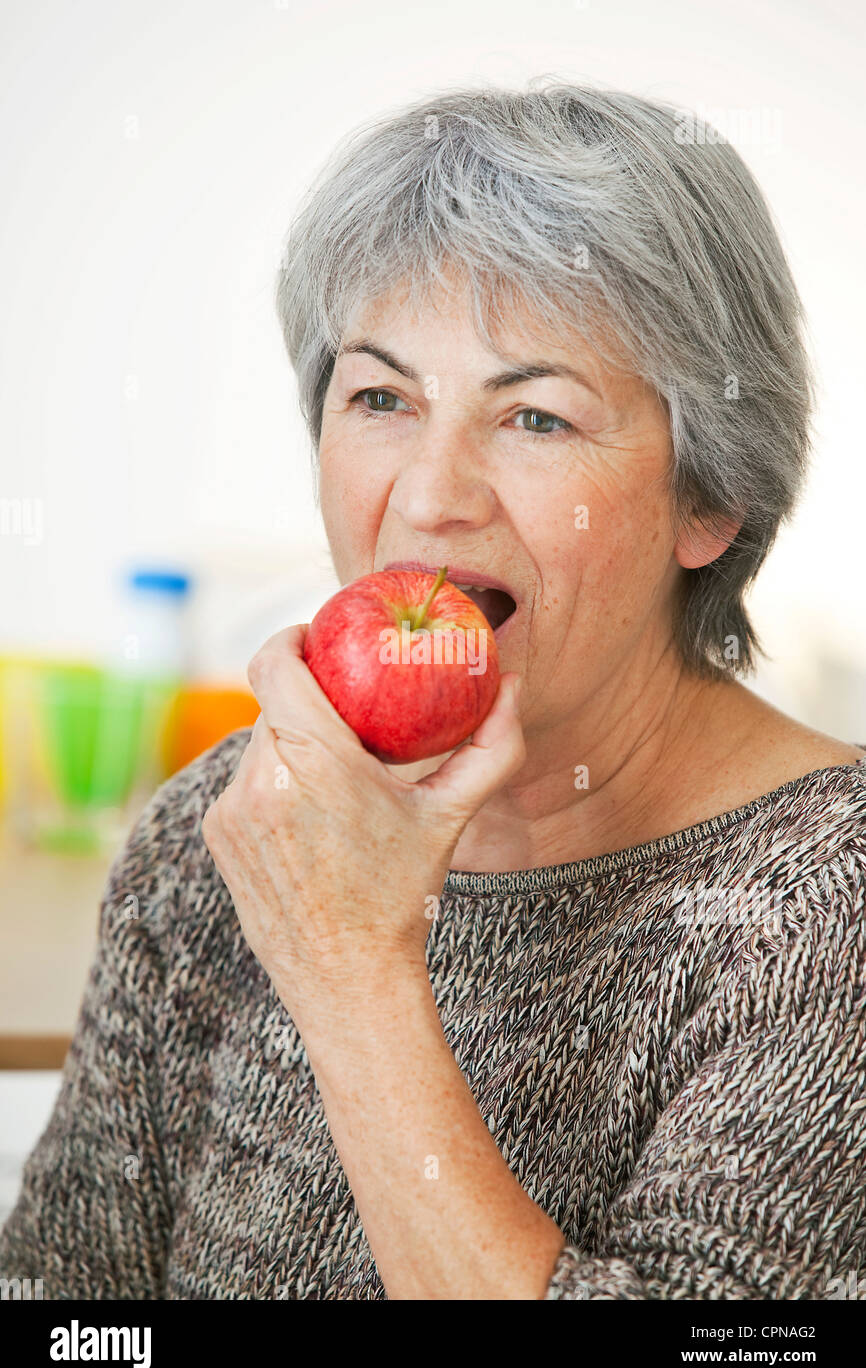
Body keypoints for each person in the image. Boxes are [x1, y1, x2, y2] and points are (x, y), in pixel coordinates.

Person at [2, 81, 865, 1300]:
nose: (427, 494)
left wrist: (351, 968)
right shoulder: (236, 829)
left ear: (707, 500)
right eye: (380, 399)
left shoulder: (827, 916)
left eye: (534, 416)